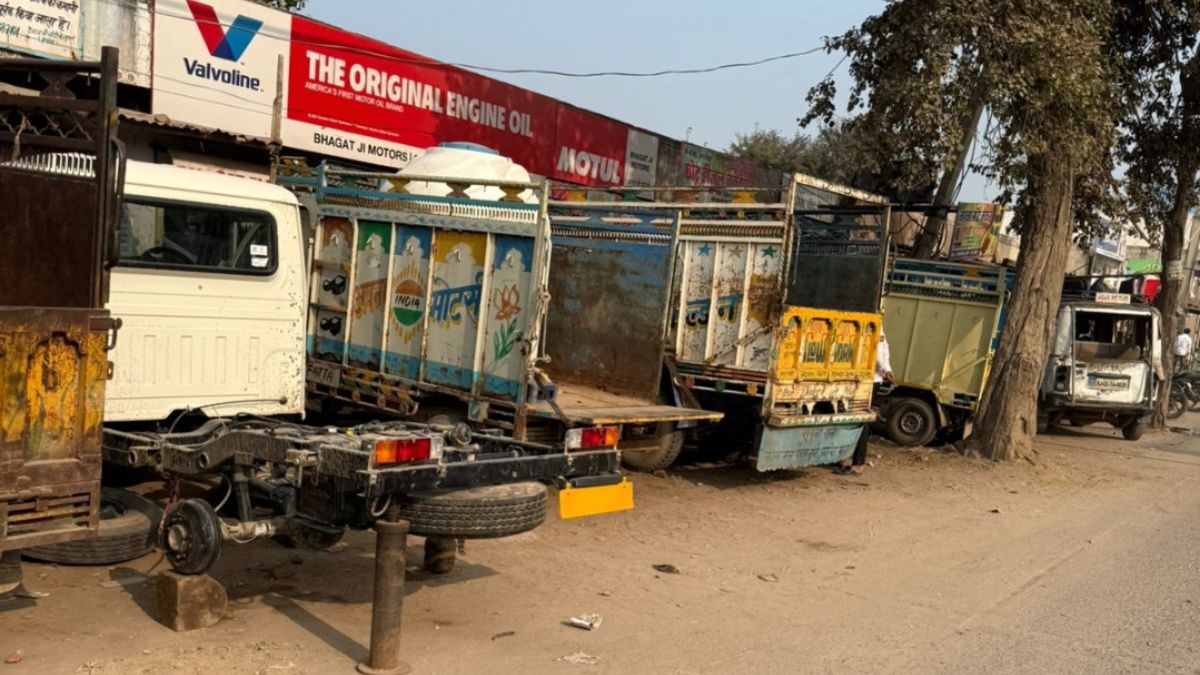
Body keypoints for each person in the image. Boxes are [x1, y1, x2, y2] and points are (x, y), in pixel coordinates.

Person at [841, 331, 894, 474]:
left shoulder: (872, 323)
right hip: (870, 378)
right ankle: (848, 459)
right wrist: (887, 369)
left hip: (867, 379)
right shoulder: (879, 324)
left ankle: (857, 463)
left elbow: (876, 350)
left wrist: (884, 369)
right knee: (855, 417)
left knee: (859, 418)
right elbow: (884, 348)